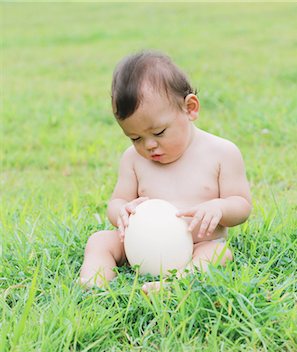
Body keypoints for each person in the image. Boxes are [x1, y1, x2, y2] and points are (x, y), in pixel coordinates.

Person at [80, 50, 252, 293]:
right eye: (135, 138)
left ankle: (176, 282)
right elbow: (117, 202)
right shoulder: (133, 160)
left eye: (159, 133)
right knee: (99, 240)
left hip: (196, 246)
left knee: (219, 253)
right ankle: (96, 282)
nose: (148, 145)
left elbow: (242, 205)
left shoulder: (221, 153)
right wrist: (122, 211)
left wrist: (219, 208)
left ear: (190, 108)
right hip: (138, 247)